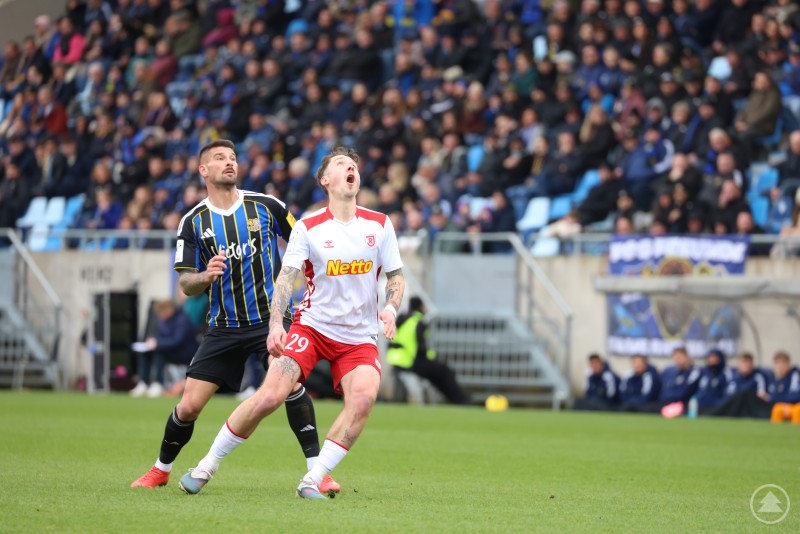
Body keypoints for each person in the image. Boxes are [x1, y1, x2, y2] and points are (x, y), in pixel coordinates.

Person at [178, 146, 405, 499]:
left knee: (362, 401)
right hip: (312, 328)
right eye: (343, 164)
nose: (352, 169)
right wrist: (275, 326)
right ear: (325, 180)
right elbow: (286, 280)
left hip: (359, 336)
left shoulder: (380, 224)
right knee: (270, 396)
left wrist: (391, 309)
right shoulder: (309, 227)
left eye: (355, 166)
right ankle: (206, 465)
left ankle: (312, 479)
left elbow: (395, 276)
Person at [130, 140, 338, 495]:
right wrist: (205, 276)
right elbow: (185, 283)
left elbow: (307, 245)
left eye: (232, 158)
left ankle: (318, 471)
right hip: (223, 327)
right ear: (203, 170)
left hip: (270, 320)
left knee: (288, 385)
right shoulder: (193, 221)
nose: (229, 163)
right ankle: (160, 470)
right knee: (189, 405)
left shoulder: (267, 206)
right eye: (219, 159)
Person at [386, 296, 468, 405]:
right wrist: (432, 357)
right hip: (410, 362)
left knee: (436, 371)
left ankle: (456, 399)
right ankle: (459, 400)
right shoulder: (418, 322)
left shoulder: (400, 319)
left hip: (395, 360)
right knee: (444, 371)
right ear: (420, 307)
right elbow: (420, 349)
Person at [129, 299, 199, 398]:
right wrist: (153, 341)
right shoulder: (163, 320)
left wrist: (157, 343)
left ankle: (158, 383)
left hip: (185, 353)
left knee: (159, 352)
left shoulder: (182, 319)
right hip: (169, 350)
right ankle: (143, 382)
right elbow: (160, 336)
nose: (161, 316)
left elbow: (177, 341)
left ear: (170, 309)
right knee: (145, 352)